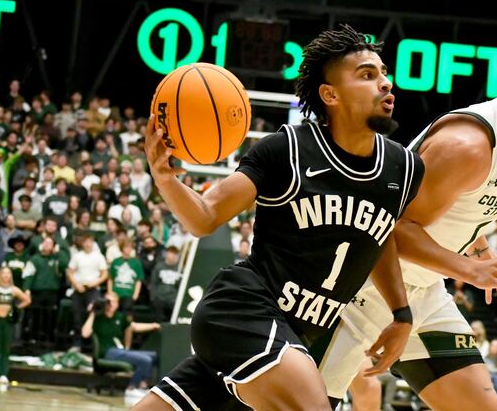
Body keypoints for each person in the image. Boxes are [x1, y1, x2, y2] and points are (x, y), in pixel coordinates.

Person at [134, 24, 424, 410]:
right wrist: (165, 177)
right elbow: (204, 217)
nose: (385, 83)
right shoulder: (286, 149)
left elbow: (380, 237)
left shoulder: (404, 169)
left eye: (384, 73)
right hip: (244, 311)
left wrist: (402, 313)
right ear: (330, 94)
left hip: (293, 335)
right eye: (368, 75)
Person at [326, 31, 497, 410]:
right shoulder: (468, 147)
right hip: (364, 285)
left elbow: (463, 213)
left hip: (424, 292)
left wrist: (483, 253)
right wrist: (473, 272)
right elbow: (391, 231)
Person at [81, 291, 160, 400]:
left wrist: (153, 325)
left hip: (120, 350)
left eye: (114, 302)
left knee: (154, 356)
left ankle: (143, 385)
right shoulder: (98, 317)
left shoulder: (119, 317)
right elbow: (85, 333)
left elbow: (134, 327)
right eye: (108, 301)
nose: (111, 304)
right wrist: (93, 313)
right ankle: (132, 388)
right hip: (108, 352)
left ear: (118, 304)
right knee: (145, 360)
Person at [0, 267, 30, 391]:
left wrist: (16, 308)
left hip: (8, 321)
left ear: (11, 276)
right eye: (4, 273)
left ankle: (4, 374)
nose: (6, 276)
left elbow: (27, 300)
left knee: (6, 348)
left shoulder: (14, 290)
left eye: (8, 273)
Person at [67, 233, 108, 349]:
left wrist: (96, 283)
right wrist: (76, 284)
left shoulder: (98, 256)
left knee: (93, 315)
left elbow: (105, 274)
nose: (88, 244)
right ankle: (77, 344)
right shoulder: (77, 256)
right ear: (82, 243)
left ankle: (92, 345)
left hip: (93, 289)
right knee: (77, 317)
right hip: (79, 288)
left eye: (90, 241)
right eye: (85, 241)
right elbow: (70, 272)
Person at [148, 245, 181, 322]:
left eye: (174, 254)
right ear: (166, 254)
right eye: (170, 253)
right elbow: (153, 282)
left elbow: (181, 285)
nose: (172, 256)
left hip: (173, 299)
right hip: (159, 298)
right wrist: (153, 298)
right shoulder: (159, 266)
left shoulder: (180, 268)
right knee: (158, 319)